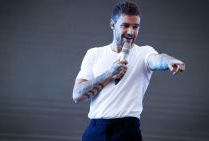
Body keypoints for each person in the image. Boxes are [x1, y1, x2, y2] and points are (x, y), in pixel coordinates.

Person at [72, 1, 185, 141]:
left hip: (127, 130)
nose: (131, 32)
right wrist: (109, 74)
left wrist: (169, 61)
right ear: (112, 25)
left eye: (135, 27)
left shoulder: (144, 53)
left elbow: (158, 59)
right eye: (125, 26)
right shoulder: (94, 53)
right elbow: (77, 95)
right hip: (96, 130)